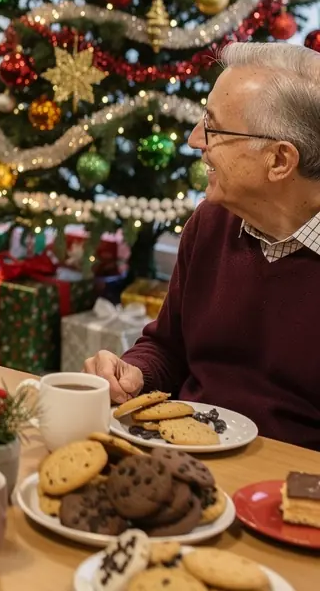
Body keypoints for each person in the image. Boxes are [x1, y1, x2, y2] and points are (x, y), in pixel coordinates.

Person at [84, 42, 320, 450]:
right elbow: (167, 347)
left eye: (214, 128)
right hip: (187, 455)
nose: (195, 141)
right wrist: (134, 372)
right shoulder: (211, 222)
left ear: (280, 161)